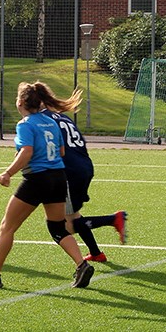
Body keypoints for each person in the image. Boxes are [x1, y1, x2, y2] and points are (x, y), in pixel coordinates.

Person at [0, 81, 94, 290]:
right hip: (58, 177)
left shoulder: (25, 124)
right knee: (56, 227)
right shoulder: (51, 122)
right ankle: (82, 264)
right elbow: (62, 152)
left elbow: (26, 152)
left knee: (7, 227)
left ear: (20, 102)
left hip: (37, 179)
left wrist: (8, 173)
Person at [42, 92, 127, 262]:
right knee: (73, 214)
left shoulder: (42, 120)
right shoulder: (63, 118)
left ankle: (113, 219)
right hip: (84, 166)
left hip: (69, 171)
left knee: (63, 226)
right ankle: (96, 253)